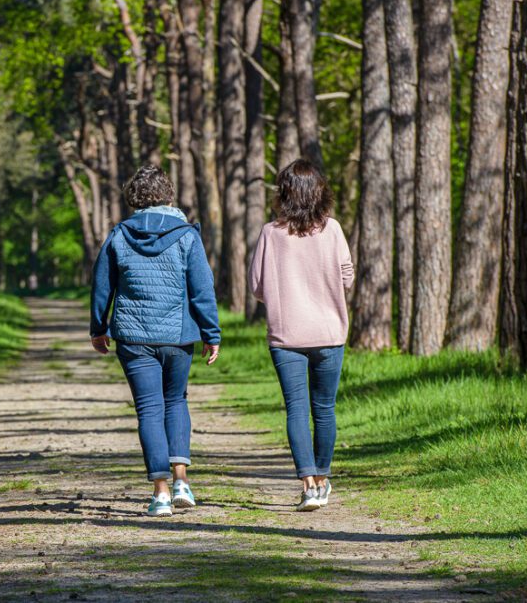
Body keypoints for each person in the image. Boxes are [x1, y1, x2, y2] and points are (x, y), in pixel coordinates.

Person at [90, 164, 221, 517]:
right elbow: (202, 289)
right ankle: (182, 482)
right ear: (168, 193)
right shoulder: (187, 235)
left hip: (132, 337)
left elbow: (102, 286)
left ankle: (160, 493)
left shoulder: (119, 235)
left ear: (134, 197)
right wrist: (212, 334)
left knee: (149, 408)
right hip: (177, 336)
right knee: (176, 401)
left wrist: (97, 328)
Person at [247, 159, 354, 512]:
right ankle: (323, 479)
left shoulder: (270, 233)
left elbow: (257, 287)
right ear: (319, 192)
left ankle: (308, 485)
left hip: (286, 335)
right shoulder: (334, 229)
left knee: (296, 409)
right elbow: (348, 277)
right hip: (329, 334)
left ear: (284, 194)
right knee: (323, 408)